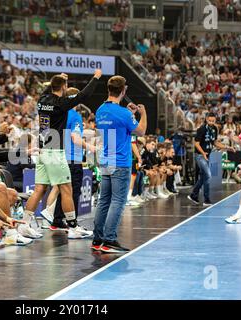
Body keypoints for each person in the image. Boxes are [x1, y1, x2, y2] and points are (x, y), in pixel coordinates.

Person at [20, 70, 102, 240]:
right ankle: (72, 227)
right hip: (55, 152)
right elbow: (83, 95)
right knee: (66, 189)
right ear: (64, 87)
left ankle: (24, 225)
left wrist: (60, 80)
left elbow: (49, 89)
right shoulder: (61, 103)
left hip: (43, 151)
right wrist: (96, 78)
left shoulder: (42, 100)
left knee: (39, 189)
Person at [91, 75, 147, 253]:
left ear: (108, 89)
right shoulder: (123, 113)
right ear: (124, 90)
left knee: (104, 201)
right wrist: (142, 114)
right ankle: (109, 240)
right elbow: (141, 131)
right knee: (118, 201)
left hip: (105, 160)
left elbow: (115, 124)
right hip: (120, 162)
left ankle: (97, 238)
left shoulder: (100, 110)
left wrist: (128, 114)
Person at [41, 87, 96, 230]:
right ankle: (73, 225)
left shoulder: (57, 112)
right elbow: (75, 138)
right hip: (72, 158)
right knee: (72, 192)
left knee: (60, 190)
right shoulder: (75, 115)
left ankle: (56, 220)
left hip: (56, 155)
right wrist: (90, 147)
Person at [187, 113, 235, 206]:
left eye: (213, 121)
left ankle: (194, 195)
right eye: (210, 121)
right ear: (206, 119)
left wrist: (227, 147)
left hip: (208, 155)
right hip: (200, 155)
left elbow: (215, 143)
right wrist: (203, 153)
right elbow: (196, 143)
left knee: (204, 176)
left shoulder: (215, 129)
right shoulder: (201, 129)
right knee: (208, 175)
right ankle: (206, 200)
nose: (211, 122)